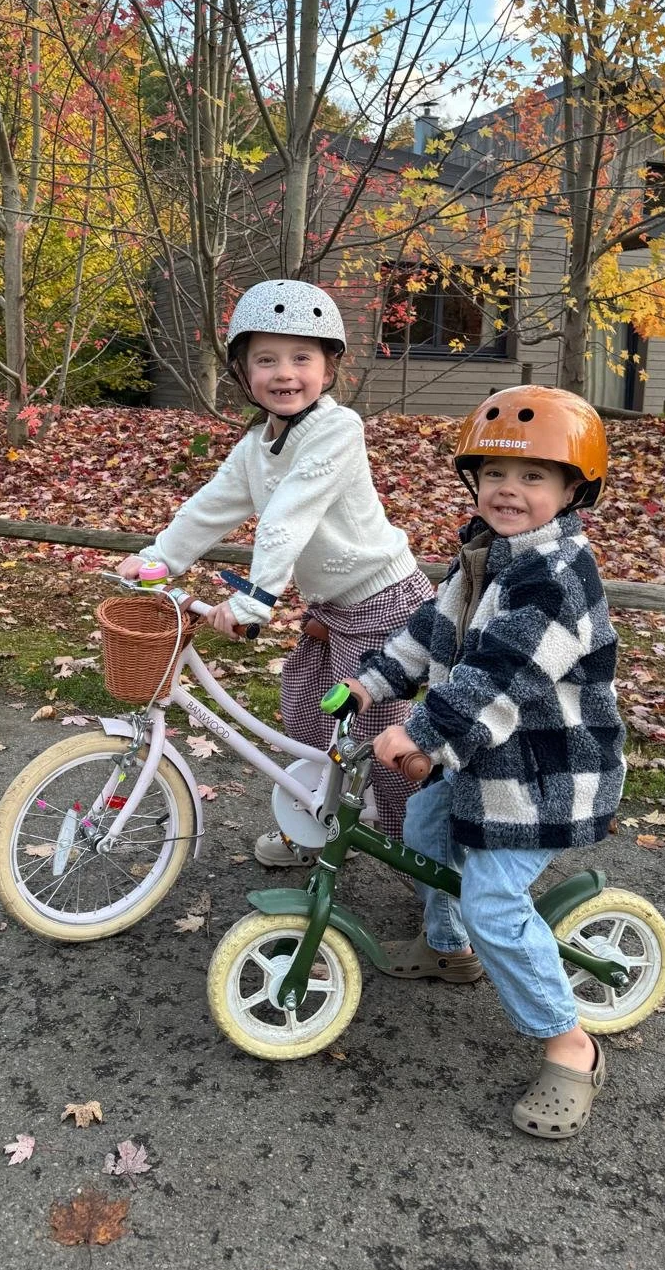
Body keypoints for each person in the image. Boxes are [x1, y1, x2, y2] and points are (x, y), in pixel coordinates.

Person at [348, 386, 625, 1140]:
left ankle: (572, 1046)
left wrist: (424, 733)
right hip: (481, 760)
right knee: (426, 837)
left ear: (573, 491)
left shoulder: (557, 577)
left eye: (535, 476)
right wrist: (367, 685)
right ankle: (449, 950)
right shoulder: (482, 555)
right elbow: (427, 633)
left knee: (496, 902)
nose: (511, 489)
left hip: (542, 775)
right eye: (497, 473)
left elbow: (498, 673)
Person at [116, 279, 433, 863]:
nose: (284, 373)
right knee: (308, 712)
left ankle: (413, 852)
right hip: (333, 610)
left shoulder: (338, 431)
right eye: (266, 359)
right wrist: (161, 557)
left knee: (379, 738)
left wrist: (253, 601)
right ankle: (320, 822)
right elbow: (211, 506)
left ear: (329, 368)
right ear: (242, 372)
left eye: (302, 358)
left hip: (385, 604)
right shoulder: (257, 446)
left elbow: (290, 514)